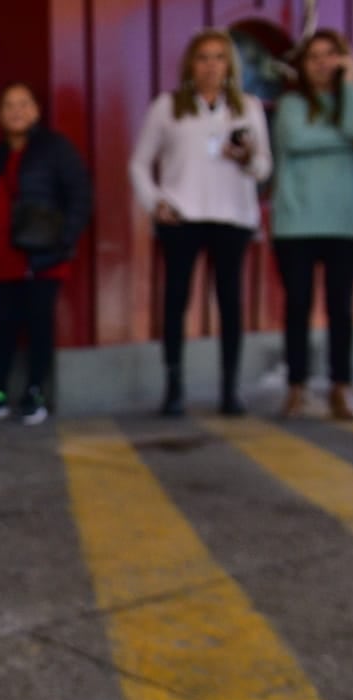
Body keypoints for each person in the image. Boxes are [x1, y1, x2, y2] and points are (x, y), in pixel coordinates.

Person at [129, 28, 273, 417]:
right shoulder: (168, 106)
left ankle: (230, 388)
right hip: (182, 216)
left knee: (230, 302)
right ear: (191, 64)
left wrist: (245, 158)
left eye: (219, 57)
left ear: (230, 64)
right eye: (203, 57)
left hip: (232, 216)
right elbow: (139, 163)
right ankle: (174, 387)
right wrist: (155, 202)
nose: (211, 65)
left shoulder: (248, 107)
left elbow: (264, 167)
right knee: (176, 301)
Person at [0, 81, 92, 425]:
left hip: (43, 259)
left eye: (24, 103)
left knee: (39, 326)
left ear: (36, 111)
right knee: (2, 327)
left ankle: (35, 392)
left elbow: (80, 195)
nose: (17, 110)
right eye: (9, 105)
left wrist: (64, 242)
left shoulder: (55, 149)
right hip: (1, 259)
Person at [271, 29, 353, 420]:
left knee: (341, 308)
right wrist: (347, 138)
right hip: (296, 221)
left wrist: (349, 86)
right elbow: (297, 139)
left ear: (344, 59)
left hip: (346, 222)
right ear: (302, 64)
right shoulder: (291, 104)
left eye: (331, 54)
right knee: (298, 305)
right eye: (313, 56)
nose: (322, 62)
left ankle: (341, 389)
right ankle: (296, 388)